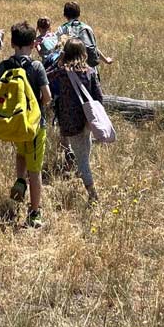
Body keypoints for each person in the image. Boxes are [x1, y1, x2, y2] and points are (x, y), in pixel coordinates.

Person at [0, 20, 52, 228]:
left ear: (12, 43)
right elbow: (47, 96)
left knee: (20, 152)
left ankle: (19, 179)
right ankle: (35, 213)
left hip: (14, 123)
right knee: (35, 172)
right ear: (34, 44)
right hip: (35, 125)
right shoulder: (36, 67)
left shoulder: (4, 66)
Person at [49, 38, 103, 204]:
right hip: (88, 119)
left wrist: (59, 59)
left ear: (66, 53)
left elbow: (46, 75)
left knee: (81, 158)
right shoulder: (90, 71)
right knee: (85, 150)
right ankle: (84, 172)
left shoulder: (62, 72)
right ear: (83, 53)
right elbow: (99, 97)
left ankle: (92, 193)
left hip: (70, 121)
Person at [55, 1, 113, 70]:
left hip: (68, 69)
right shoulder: (87, 28)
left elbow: (58, 50)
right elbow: (93, 48)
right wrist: (106, 60)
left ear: (65, 14)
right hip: (87, 69)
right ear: (79, 14)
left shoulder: (61, 29)